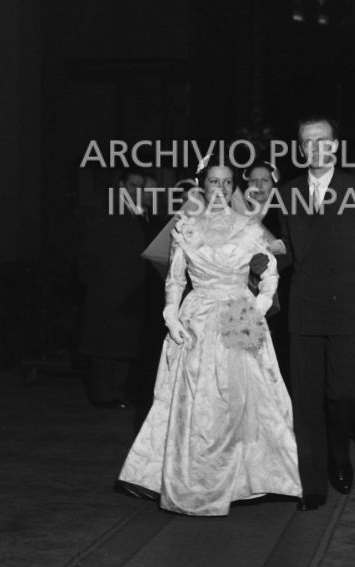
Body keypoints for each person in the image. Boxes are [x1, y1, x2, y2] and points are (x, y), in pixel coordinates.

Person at [117, 161, 301, 515]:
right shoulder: (186, 227)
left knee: (247, 396)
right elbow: (174, 279)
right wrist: (171, 314)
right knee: (195, 401)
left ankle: (249, 478)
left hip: (238, 312)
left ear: (234, 188)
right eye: (213, 181)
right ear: (202, 186)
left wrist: (257, 308)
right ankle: (194, 481)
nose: (220, 188)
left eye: (227, 182)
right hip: (197, 315)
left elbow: (271, 276)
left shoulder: (249, 228)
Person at [278, 116, 355, 510]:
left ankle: (339, 456)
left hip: (349, 313)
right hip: (305, 312)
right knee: (306, 401)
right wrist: (261, 259)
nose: (316, 148)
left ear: (336, 147)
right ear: (300, 149)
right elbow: (289, 253)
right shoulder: (288, 193)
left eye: (322, 140)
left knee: (342, 395)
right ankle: (312, 483)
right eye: (307, 142)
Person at [77, 170, 154, 408]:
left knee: (122, 345)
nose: (136, 191)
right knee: (104, 347)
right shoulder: (106, 210)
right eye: (132, 185)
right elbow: (88, 253)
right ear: (121, 185)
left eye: (141, 186)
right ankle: (104, 396)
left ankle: (117, 394)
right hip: (107, 289)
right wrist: (99, 285)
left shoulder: (137, 213)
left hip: (129, 290)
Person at [244, 159, 291, 384]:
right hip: (244, 295)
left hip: (280, 296)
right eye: (254, 180)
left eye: (265, 180)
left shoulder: (286, 213)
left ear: (274, 185)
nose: (259, 185)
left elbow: (293, 251)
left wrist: (271, 252)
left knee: (277, 356)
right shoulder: (237, 216)